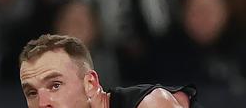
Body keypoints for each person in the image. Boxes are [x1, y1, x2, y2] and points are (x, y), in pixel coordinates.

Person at [19, 33, 201, 108]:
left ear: (90, 84)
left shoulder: (151, 104)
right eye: (32, 92)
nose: (42, 104)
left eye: (55, 85)